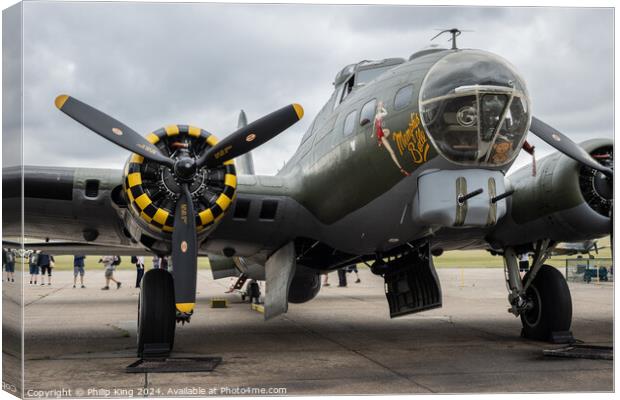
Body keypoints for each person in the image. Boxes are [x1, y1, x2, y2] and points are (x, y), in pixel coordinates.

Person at [372, 101, 409, 177]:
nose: (380, 107)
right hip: (380, 135)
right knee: (392, 152)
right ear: (377, 107)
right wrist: (374, 134)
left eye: (381, 105)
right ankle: (400, 168)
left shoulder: (379, 115)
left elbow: (385, 113)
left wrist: (382, 108)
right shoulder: (377, 115)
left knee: (387, 131)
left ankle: (380, 141)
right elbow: (375, 124)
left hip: (381, 132)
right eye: (379, 106)